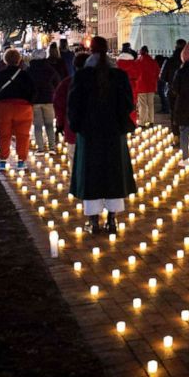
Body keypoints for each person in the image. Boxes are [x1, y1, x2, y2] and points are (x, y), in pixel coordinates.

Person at [68, 37, 136, 235]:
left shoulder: (82, 76)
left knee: (91, 175)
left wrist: (77, 126)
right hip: (113, 133)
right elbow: (127, 104)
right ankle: (112, 220)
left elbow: (74, 106)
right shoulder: (119, 75)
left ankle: (93, 221)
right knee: (113, 173)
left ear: (91, 51)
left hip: (89, 134)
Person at [0, 48, 35, 170]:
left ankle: (3, 161)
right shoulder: (25, 75)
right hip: (23, 108)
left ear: (5, 60)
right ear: (19, 60)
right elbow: (33, 91)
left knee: (4, 134)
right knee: (23, 135)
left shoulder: (0, 74)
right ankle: (21, 162)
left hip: (3, 108)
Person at [53, 52, 89, 159]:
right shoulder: (100, 82)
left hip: (73, 128)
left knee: (74, 158)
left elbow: (59, 105)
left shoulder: (67, 83)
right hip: (94, 132)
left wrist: (60, 124)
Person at [27, 48, 61, 154]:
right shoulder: (50, 69)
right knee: (49, 124)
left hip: (35, 100)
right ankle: (52, 147)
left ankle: (40, 148)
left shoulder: (29, 70)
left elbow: (26, 85)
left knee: (37, 125)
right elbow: (58, 82)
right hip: (49, 99)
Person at [159, 39, 186, 135]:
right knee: (185, 112)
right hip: (186, 92)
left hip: (173, 90)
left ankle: (176, 134)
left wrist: (170, 81)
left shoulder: (169, 61)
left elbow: (162, 76)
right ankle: (185, 135)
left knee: (174, 112)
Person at [116, 43, 141, 126]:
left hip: (119, 87)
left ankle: (121, 124)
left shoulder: (117, 63)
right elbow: (138, 75)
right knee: (132, 106)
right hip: (132, 87)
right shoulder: (133, 63)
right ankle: (132, 124)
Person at [136, 45, 160, 126]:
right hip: (151, 86)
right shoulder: (153, 62)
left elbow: (135, 74)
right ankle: (151, 121)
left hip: (141, 86)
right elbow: (157, 73)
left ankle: (142, 122)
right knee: (150, 104)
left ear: (140, 52)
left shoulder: (138, 62)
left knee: (142, 105)